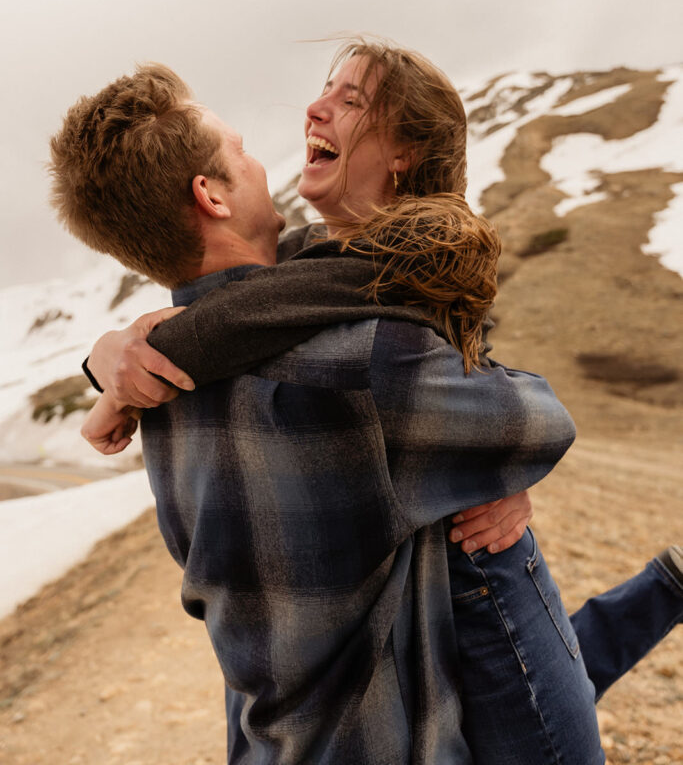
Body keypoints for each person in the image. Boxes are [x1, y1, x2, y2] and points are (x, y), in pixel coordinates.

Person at [48, 54, 682, 764]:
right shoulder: (360, 362)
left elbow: (287, 289)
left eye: (344, 100)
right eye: (241, 151)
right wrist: (497, 463)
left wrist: (109, 358)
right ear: (212, 195)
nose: (269, 151)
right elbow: (536, 425)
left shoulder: (158, 382)